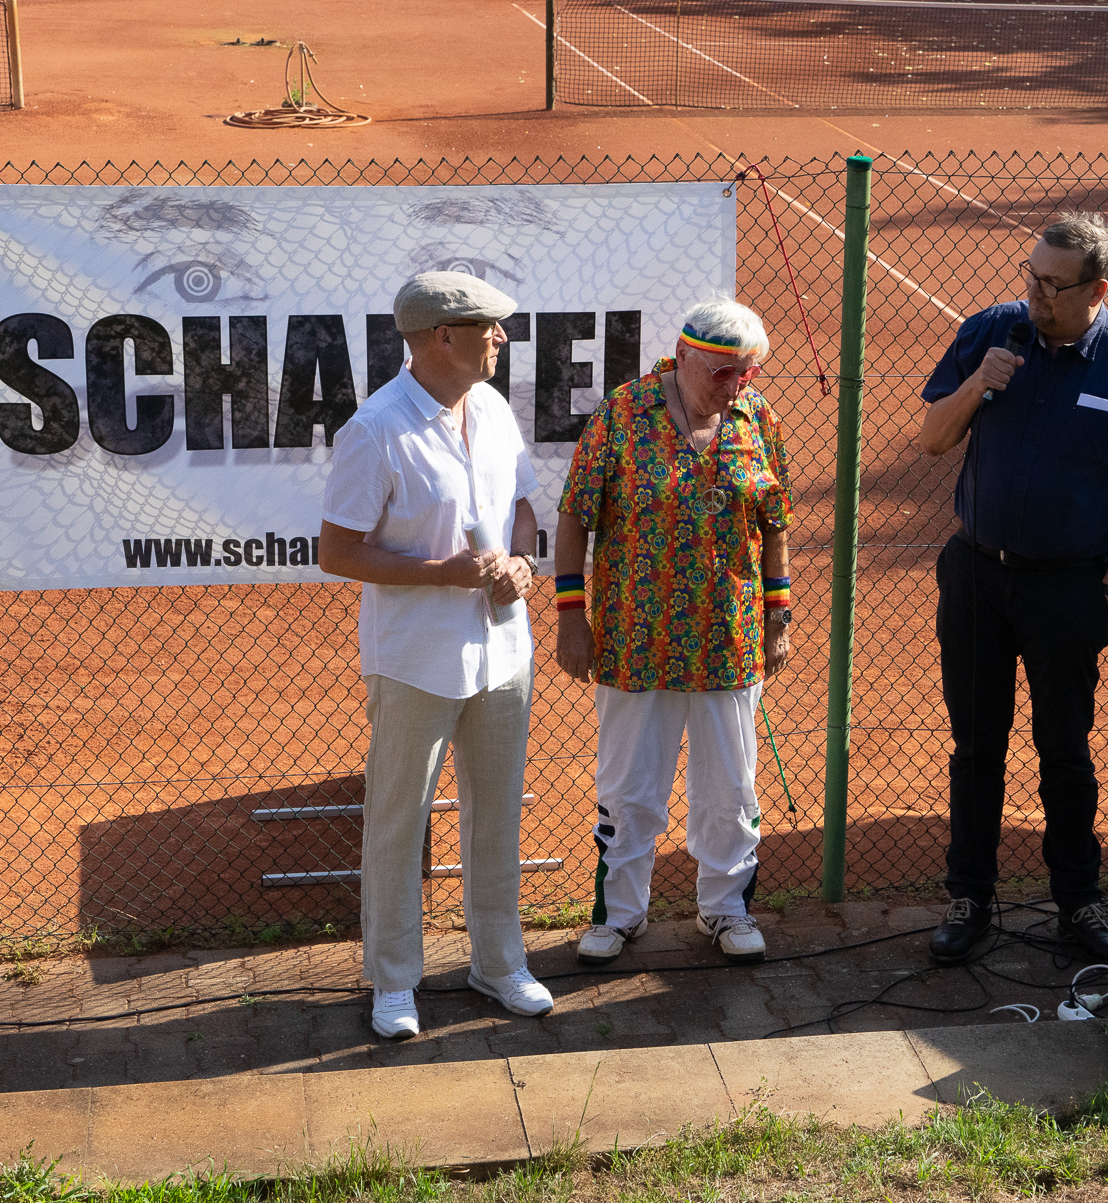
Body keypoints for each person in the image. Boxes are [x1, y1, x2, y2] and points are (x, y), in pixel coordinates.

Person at [916, 212, 1108, 966]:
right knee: (977, 745)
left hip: (1069, 588)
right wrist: (980, 383)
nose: (1034, 294)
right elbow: (933, 439)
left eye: (1053, 285)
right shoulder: (990, 333)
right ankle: (970, 898)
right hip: (976, 574)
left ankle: (1078, 901)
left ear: (1099, 290)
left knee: (1064, 749)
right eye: (1030, 276)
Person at [320, 271, 553, 1039]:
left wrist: (523, 563)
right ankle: (393, 981)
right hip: (414, 660)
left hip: (503, 653)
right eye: (488, 326)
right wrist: (441, 574)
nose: (501, 336)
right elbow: (337, 551)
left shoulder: (492, 409)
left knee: (497, 816)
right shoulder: (376, 429)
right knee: (398, 822)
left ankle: (499, 963)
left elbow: (523, 508)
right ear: (442, 337)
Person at [553, 299, 793, 966]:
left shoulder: (757, 419)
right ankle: (619, 914)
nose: (736, 385)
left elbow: (774, 522)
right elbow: (575, 515)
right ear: (683, 356)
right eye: (723, 372)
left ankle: (727, 908)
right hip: (635, 639)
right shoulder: (622, 415)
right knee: (629, 789)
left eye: (747, 372)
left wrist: (778, 615)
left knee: (730, 789)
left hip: (729, 640)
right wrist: (571, 616)